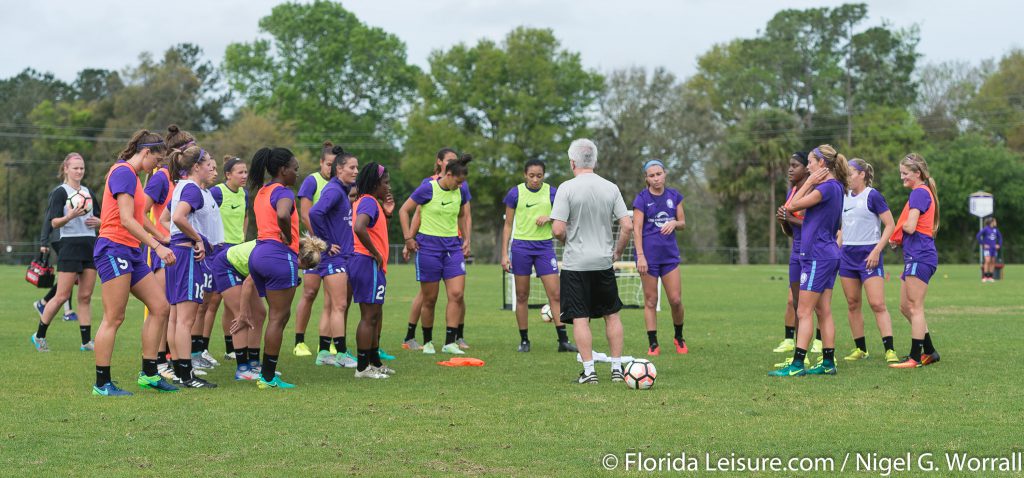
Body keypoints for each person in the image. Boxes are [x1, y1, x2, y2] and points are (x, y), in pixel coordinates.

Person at [91, 130, 178, 396]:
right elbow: (126, 219)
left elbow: (139, 218)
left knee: (160, 307)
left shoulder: (137, 179)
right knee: (114, 317)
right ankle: (102, 383)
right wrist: (157, 247)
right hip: (113, 249)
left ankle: (150, 374)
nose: (158, 166)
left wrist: (161, 236)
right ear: (146, 152)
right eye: (158, 160)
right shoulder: (123, 173)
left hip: (131, 250)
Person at [549, 139, 633, 384]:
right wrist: (616, 252)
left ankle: (589, 372)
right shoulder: (611, 187)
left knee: (580, 318)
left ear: (572, 162)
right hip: (603, 263)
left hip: (577, 264)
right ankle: (617, 369)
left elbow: (556, 230)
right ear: (595, 161)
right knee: (612, 314)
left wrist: (568, 241)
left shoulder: (566, 188)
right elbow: (627, 225)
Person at [248, 147, 326, 388]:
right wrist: (285, 234)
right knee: (279, 318)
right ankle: (268, 377)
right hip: (278, 257)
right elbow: (283, 214)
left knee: (274, 315)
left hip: (258, 253)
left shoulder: (263, 191)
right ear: (283, 170)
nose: (297, 173)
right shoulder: (284, 192)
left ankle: (262, 371)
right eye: (295, 169)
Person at [770, 144, 848, 377]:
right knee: (823, 310)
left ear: (821, 164)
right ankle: (827, 363)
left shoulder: (825, 188)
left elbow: (791, 206)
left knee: (804, 312)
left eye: (812, 162)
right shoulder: (836, 187)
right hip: (827, 253)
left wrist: (810, 182)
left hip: (817, 255)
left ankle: (797, 365)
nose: (809, 166)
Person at [500, 159, 577, 353]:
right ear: (525, 175)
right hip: (521, 248)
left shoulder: (552, 192)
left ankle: (563, 341)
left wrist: (550, 218)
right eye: (531, 175)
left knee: (556, 294)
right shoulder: (515, 193)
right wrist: (504, 254)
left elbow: (564, 216)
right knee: (522, 295)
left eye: (539, 176)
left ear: (544, 176)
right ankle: (524, 340)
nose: (535, 179)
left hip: (544, 248)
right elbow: (508, 225)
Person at [399, 154, 473, 355]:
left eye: (462, 183)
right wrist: (408, 239)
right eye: (457, 181)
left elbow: (461, 216)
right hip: (428, 248)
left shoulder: (460, 191)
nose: (460, 186)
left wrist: (466, 239)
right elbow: (404, 210)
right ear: (448, 174)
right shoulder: (427, 189)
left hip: (452, 248)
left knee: (456, 295)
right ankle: (428, 341)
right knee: (430, 299)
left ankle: (450, 342)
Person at [164, 145, 221, 388]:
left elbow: (167, 218)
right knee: (185, 320)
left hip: (179, 252)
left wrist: (175, 239)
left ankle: (179, 371)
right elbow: (177, 218)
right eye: (208, 162)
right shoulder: (193, 190)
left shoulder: (182, 187)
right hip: (187, 255)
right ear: (195, 167)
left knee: (177, 318)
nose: (211, 166)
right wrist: (198, 239)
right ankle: (187, 375)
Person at [30, 153, 98, 352]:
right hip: (69, 246)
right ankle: (39, 336)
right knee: (61, 296)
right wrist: (69, 216)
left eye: (82, 168)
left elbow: (101, 217)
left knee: (85, 296)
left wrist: (100, 222)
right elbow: (54, 222)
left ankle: (86, 342)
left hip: (89, 245)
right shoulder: (60, 192)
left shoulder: (88, 192)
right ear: (66, 169)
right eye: (75, 168)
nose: (79, 171)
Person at [838, 158, 898, 363]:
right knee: (853, 303)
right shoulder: (843, 196)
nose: (847, 177)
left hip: (869, 255)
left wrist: (876, 251)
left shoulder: (873, 196)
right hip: (847, 256)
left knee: (877, 304)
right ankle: (860, 349)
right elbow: (843, 228)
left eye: (850, 173)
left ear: (862, 175)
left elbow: (890, 224)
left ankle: (889, 349)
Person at [889, 153, 941, 369]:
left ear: (917, 173)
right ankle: (929, 351)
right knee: (905, 306)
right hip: (915, 255)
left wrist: (898, 231)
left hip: (921, 255)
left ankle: (915, 357)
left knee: (915, 307)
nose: (902, 178)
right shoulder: (920, 192)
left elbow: (911, 226)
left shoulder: (918, 193)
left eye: (905, 173)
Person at [308, 150, 359, 368]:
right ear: (339, 169)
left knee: (330, 306)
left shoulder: (341, 190)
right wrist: (326, 243)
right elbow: (314, 213)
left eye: (357, 168)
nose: (356, 171)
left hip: (339, 257)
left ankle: (323, 353)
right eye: (352, 168)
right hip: (334, 259)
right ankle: (340, 353)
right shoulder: (334, 191)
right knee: (339, 305)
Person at [632, 159, 687, 356]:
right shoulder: (641, 199)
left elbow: (683, 223)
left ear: (665, 174)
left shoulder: (674, 196)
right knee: (650, 300)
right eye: (651, 175)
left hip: (670, 257)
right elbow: (636, 229)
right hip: (648, 257)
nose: (656, 178)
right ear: (646, 178)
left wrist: (674, 223)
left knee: (675, 300)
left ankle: (679, 337)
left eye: (659, 174)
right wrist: (640, 256)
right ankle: (653, 343)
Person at [292, 142, 339, 357]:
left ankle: (326, 343)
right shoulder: (312, 181)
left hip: (335, 249)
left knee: (332, 298)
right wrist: (322, 241)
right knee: (310, 292)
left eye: (334, 165)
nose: (331, 168)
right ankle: (299, 342)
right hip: (315, 247)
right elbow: (305, 214)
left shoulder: (341, 185)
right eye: (328, 164)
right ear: (321, 163)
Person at [350, 163, 396, 378]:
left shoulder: (368, 201)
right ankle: (362, 367)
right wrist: (376, 253)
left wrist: (386, 213)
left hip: (367, 264)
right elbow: (359, 226)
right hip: (367, 262)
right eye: (385, 182)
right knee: (369, 317)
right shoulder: (368, 201)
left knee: (375, 315)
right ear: (374, 183)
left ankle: (374, 362)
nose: (388, 187)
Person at [204, 156, 248, 361]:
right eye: (240, 172)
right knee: (212, 300)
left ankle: (231, 348)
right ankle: (201, 348)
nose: (244, 176)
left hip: (237, 253)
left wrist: (242, 239)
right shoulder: (217, 192)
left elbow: (246, 217)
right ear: (228, 175)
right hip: (219, 251)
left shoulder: (244, 194)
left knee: (233, 303)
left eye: (246, 172)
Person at [773, 152, 808, 354]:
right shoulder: (792, 192)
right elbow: (792, 232)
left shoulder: (813, 192)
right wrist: (784, 221)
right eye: (789, 165)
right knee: (795, 303)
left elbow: (812, 225)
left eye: (795, 165)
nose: (790, 169)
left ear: (806, 169)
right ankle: (796, 349)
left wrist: (790, 217)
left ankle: (823, 348)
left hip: (813, 252)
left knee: (815, 306)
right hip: (796, 252)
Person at [976, 217, 1002, 282]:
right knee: (987, 261)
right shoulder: (985, 229)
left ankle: (990, 277)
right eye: (995, 221)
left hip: (994, 249)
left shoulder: (996, 230)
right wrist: (983, 244)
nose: (996, 223)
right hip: (988, 249)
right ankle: (985, 276)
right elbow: (978, 236)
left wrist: (999, 245)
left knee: (993, 261)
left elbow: (1000, 238)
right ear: (991, 222)